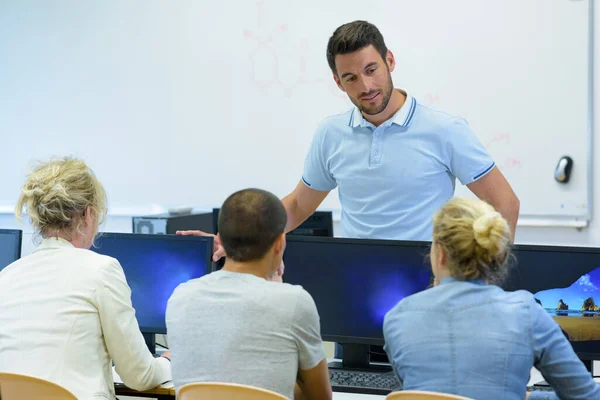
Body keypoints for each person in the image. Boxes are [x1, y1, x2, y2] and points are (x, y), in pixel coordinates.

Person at [180, 20, 519, 263]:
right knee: (350, 366)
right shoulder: (331, 133)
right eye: (351, 77)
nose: (365, 86)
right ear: (338, 83)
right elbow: (298, 206)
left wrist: (481, 280)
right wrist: (232, 239)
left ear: (390, 61)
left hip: (430, 285)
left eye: (372, 69)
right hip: (356, 283)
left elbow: (505, 203)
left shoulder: (446, 129)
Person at [383, 197, 600, 399]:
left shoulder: (397, 318)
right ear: (498, 255)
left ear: (439, 253)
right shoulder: (527, 313)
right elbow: (586, 397)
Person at [0, 157, 171, 400]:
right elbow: (139, 376)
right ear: (88, 214)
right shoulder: (101, 269)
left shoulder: (7, 276)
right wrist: (167, 362)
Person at [166, 188, 332, 400]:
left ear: (221, 241)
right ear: (280, 243)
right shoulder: (293, 302)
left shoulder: (181, 296)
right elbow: (320, 397)